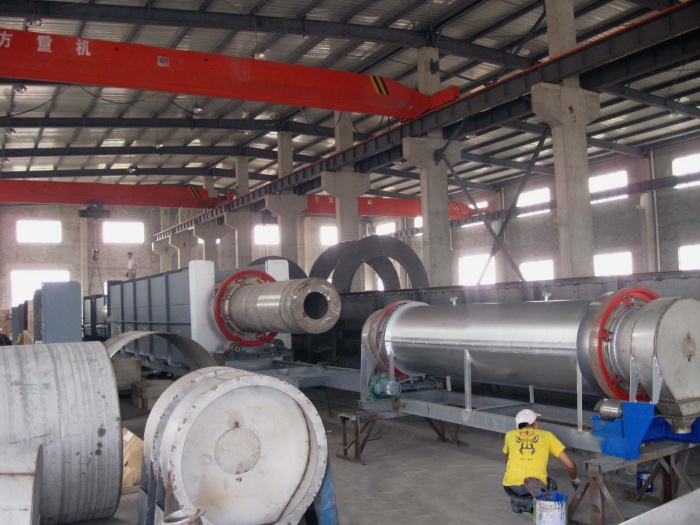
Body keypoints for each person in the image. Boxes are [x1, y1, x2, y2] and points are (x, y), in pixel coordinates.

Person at [503, 409, 580, 514]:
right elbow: (570, 465)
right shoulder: (547, 436)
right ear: (534, 422)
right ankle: (535, 506)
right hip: (535, 490)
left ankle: (518, 503)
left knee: (509, 461)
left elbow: (506, 453)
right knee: (551, 484)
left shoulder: (509, 435)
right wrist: (574, 479)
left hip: (510, 488)